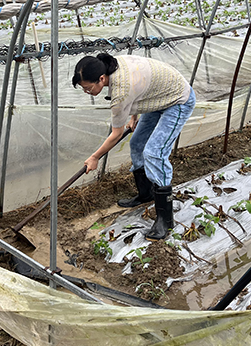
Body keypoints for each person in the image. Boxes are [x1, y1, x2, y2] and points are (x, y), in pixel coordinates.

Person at [73, 53, 196, 241]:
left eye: (88, 88)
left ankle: (166, 219)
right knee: (137, 143)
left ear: (101, 79)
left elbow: (115, 134)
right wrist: (134, 116)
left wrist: (95, 157)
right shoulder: (112, 66)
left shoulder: (120, 92)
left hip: (178, 100)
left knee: (155, 153)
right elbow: (140, 87)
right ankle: (146, 194)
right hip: (158, 97)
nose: (87, 92)